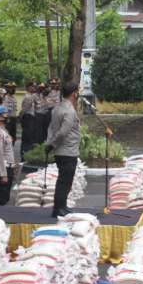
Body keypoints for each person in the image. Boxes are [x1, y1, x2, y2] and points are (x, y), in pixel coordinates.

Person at [45, 81, 81, 218]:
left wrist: (50, 144)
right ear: (74, 93)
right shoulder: (69, 111)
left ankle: (62, 206)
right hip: (68, 151)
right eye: (77, 92)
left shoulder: (57, 108)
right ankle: (58, 208)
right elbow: (62, 132)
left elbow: (51, 128)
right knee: (65, 181)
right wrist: (52, 144)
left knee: (63, 180)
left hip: (62, 151)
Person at [0, 106, 15, 206]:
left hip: (8, 167)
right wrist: (3, 174)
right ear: (0, 117)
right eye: (5, 114)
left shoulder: (3, 130)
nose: (7, 116)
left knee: (5, 197)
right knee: (0, 199)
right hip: (3, 168)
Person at [20, 81, 37, 158]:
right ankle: (25, 154)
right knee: (27, 137)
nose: (34, 88)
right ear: (29, 88)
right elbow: (24, 110)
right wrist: (22, 118)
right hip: (28, 118)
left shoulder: (30, 96)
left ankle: (25, 153)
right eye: (32, 86)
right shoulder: (28, 97)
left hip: (29, 118)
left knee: (28, 137)